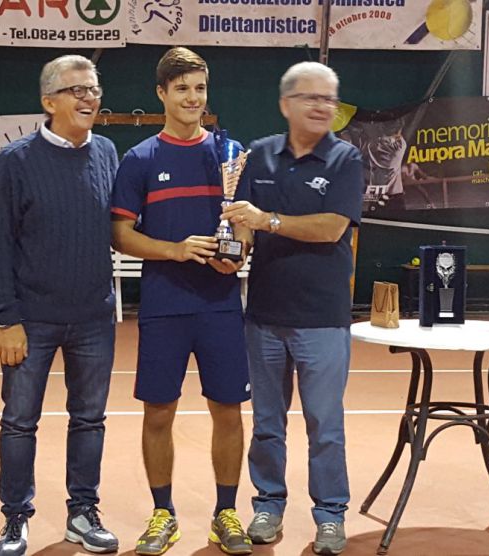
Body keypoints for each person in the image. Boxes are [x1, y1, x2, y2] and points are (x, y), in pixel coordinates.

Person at [110, 47, 254, 556]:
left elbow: (241, 223)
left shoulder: (230, 153)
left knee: (229, 411)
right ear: (162, 94)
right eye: (182, 89)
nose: (193, 98)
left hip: (219, 305)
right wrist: (173, 250)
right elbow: (121, 235)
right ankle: (163, 514)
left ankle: (226, 513)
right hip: (164, 304)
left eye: (199, 88)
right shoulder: (140, 159)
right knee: (158, 413)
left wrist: (235, 255)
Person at [220, 61, 364, 556]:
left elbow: (331, 229)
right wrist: (230, 248)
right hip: (263, 317)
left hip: (323, 320)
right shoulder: (258, 156)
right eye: (313, 97)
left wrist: (268, 221)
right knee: (266, 422)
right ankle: (268, 504)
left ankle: (329, 515)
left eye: (331, 98)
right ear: (286, 104)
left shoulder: (346, 159)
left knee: (325, 424)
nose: (324, 106)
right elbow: (243, 225)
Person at [0, 55, 120, 556]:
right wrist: (7, 319)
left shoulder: (106, 152)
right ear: (48, 102)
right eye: (77, 89)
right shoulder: (15, 161)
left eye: (94, 89)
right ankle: (16, 518)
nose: (89, 98)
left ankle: (83, 513)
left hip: (94, 319)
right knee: (19, 422)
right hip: (30, 322)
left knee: (90, 420)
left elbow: (120, 227)